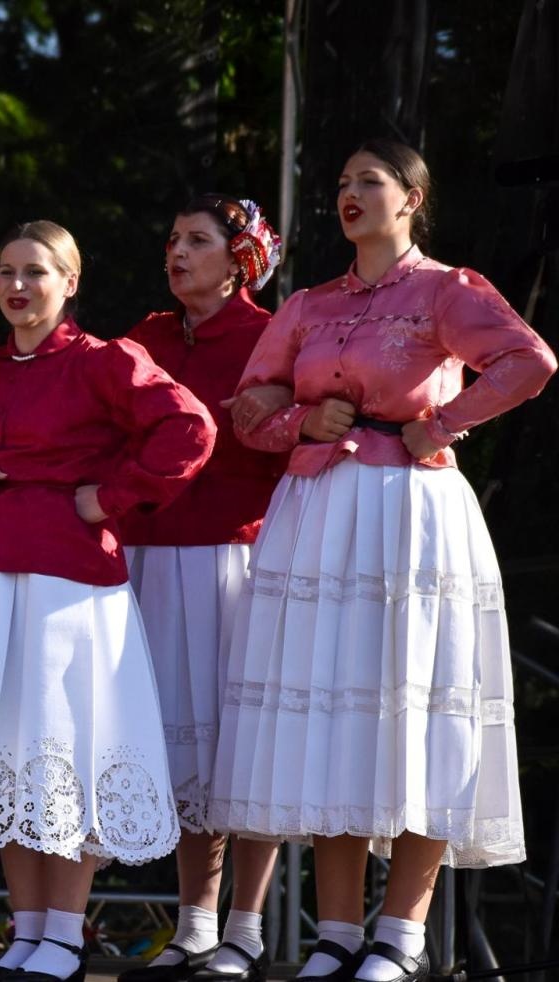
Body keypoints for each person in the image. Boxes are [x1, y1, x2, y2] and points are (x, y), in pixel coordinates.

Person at [210, 139, 554, 982]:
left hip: (411, 513)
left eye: (370, 181)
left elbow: (529, 361)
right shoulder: (308, 305)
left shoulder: (446, 289)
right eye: (341, 181)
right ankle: (334, 934)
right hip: (320, 512)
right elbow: (249, 404)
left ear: (412, 199)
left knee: (420, 710)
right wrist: (299, 423)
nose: (350, 194)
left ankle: (399, 936)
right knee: (337, 715)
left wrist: (441, 424)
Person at [0, 221, 215, 982]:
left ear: (70, 282)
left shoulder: (107, 363)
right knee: (11, 762)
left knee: (63, 753)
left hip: (65, 581)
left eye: (35, 272)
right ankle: (29, 936)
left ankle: (63, 936)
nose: (17, 287)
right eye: (4, 271)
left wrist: (110, 498)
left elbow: (189, 428)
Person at [116, 196, 289, 982]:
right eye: (172, 238)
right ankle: (194, 927)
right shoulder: (146, 338)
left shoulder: (274, 336)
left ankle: (245, 931)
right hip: (149, 558)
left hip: (235, 558)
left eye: (196, 240)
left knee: (243, 743)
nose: (176, 251)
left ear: (241, 254)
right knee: (181, 743)